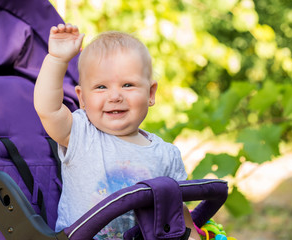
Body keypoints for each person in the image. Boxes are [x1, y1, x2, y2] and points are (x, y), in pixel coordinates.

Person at [34, 23, 200, 240]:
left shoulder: (167, 155)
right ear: (82, 98)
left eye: (128, 85)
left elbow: (177, 212)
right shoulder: (81, 134)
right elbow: (48, 109)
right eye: (101, 87)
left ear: (150, 93)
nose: (115, 96)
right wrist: (57, 59)